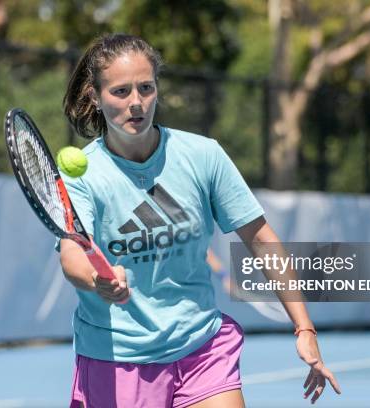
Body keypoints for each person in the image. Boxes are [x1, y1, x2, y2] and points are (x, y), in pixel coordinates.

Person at [58, 33, 341, 408]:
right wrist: (98, 280)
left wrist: (304, 327)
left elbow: (261, 238)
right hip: (119, 359)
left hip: (201, 347)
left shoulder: (202, 155)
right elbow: (72, 256)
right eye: (121, 91)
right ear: (95, 95)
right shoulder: (83, 175)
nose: (136, 103)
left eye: (146, 88)